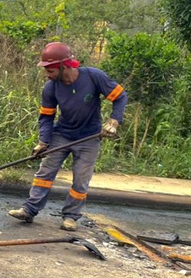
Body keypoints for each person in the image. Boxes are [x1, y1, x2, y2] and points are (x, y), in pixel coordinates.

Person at [8, 42, 127, 231]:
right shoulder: (51, 87)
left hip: (89, 138)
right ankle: (29, 210)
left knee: (81, 178)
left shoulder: (93, 77)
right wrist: (43, 142)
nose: (47, 75)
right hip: (62, 134)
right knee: (45, 173)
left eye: (50, 70)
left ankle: (71, 216)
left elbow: (120, 97)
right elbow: (46, 117)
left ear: (65, 66)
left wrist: (113, 122)